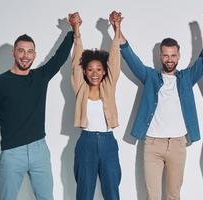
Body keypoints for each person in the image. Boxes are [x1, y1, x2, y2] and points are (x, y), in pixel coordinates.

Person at [112, 10, 203, 200]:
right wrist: (117, 29)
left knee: (173, 195)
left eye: (173, 55)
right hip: (152, 144)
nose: (169, 59)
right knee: (152, 196)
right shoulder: (150, 77)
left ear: (179, 56)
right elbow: (131, 58)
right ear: (160, 56)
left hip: (178, 145)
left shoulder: (187, 78)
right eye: (165, 55)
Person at [0, 20, 74, 199]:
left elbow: (59, 58)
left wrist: (72, 31)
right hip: (12, 154)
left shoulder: (40, 77)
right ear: (13, 52)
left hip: (40, 150)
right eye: (21, 50)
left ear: (35, 54)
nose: (25, 56)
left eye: (30, 51)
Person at [68, 12, 122, 200]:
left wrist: (116, 31)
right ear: (85, 71)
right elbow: (75, 63)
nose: (94, 73)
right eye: (90, 69)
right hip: (86, 143)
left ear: (104, 71)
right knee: (84, 193)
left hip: (108, 143)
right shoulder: (80, 88)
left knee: (112, 193)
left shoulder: (108, 86)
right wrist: (77, 32)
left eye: (99, 69)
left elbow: (114, 61)